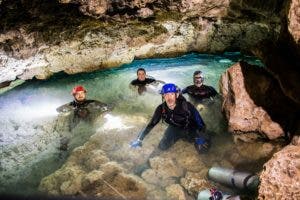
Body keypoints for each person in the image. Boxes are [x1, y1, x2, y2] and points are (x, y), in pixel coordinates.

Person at [130, 83, 210, 154]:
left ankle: (212, 136)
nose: (169, 98)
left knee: (203, 149)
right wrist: (139, 139)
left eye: (172, 94)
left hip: (191, 129)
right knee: (161, 148)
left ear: (177, 95)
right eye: (166, 95)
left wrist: (201, 136)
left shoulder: (187, 106)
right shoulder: (161, 109)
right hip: (174, 129)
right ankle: (146, 165)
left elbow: (201, 124)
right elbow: (151, 124)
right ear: (163, 96)